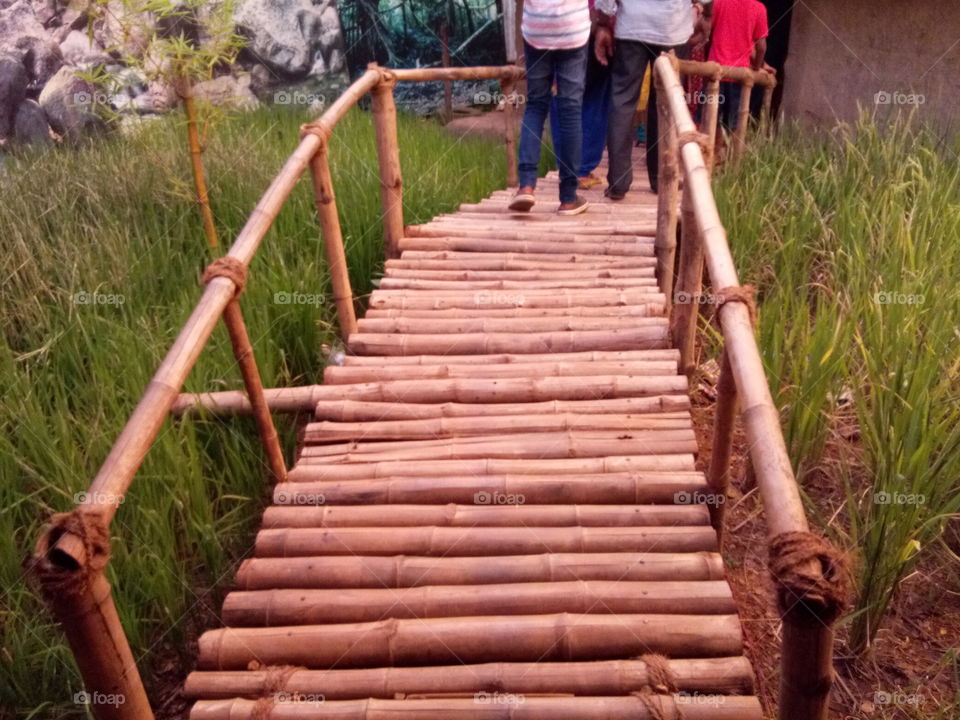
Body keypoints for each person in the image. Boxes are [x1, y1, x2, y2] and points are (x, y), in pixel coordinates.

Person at [594, 0, 694, 198]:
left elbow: (605, 4)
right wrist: (706, 13)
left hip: (632, 27)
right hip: (673, 28)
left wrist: (603, 22)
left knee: (622, 102)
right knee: (666, 104)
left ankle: (618, 183)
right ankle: (660, 178)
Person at [508, 0, 591, 216]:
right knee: (570, 110)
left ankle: (526, 186)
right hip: (573, 26)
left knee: (536, 105)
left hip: (537, 27)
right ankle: (568, 198)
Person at [548, 0, 613, 190]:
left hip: (550, 29)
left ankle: (567, 168)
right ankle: (582, 169)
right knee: (594, 99)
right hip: (588, 26)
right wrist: (604, 23)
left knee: (561, 97)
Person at [708, 0, 769, 132]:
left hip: (715, 72)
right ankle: (730, 152)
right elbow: (761, 47)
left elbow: (706, 29)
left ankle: (707, 152)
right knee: (732, 127)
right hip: (739, 77)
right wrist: (757, 68)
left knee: (708, 123)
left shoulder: (720, 3)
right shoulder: (759, 8)